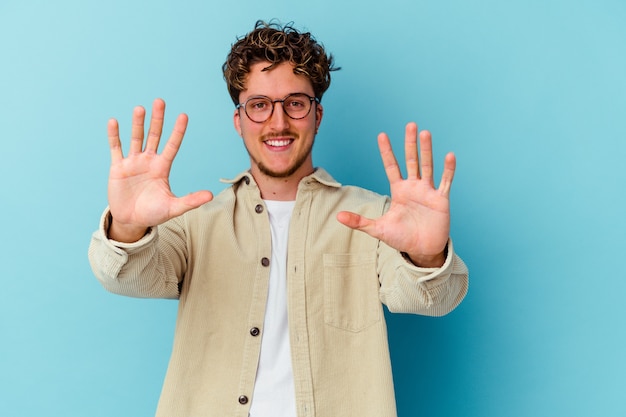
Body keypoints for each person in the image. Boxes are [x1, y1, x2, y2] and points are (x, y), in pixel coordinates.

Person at [88, 20, 468, 417]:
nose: (278, 122)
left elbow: (433, 299)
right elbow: (126, 276)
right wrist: (129, 227)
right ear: (239, 121)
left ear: (317, 115)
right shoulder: (194, 222)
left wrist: (427, 257)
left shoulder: (375, 219)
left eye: (295, 103)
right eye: (259, 105)